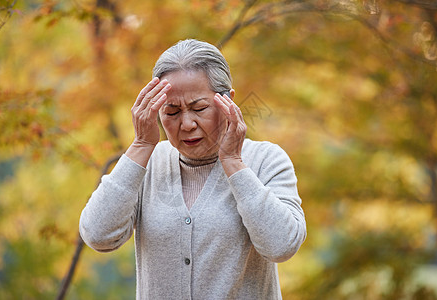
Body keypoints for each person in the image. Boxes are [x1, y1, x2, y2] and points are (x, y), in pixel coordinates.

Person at [79, 39, 306, 300]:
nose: (186, 124)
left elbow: (282, 245)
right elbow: (98, 235)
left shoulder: (266, 159)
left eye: (199, 108)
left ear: (228, 102)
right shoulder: (148, 162)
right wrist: (141, 145)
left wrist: (233, 162)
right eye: (172, 112)